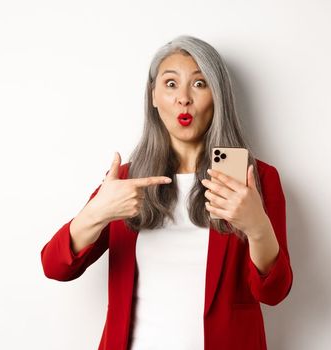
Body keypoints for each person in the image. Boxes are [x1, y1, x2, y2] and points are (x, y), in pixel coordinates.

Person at [40, 35, 293, 350]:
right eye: (171, 84)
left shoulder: (252, 179)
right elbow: (56, 267)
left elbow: (273, 292)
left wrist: (257, 227)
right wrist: (96, 213)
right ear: (153, 96)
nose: (183, 98)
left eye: (200, 84)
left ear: (218, 96)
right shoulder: (125, 181)